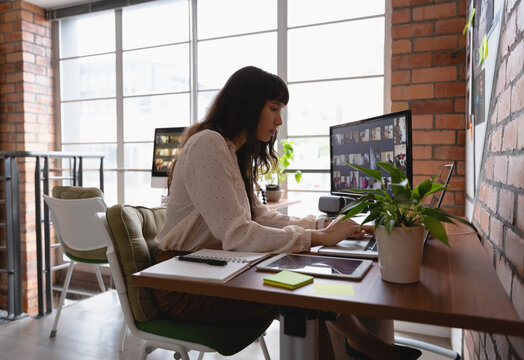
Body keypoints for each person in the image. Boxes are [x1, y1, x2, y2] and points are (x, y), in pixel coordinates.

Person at [153, 66, 421, 360]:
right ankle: (364, 344)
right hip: (182, 284)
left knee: (309, 289)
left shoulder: (231, 151)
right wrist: (319, 236)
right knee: (303, 296)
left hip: (213, 268)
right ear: (248, 104)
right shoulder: (208, 144)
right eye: (274, 108)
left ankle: (363, 343)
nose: (279, 120)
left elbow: (260, 216)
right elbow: (237, 235)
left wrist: (326, 225)